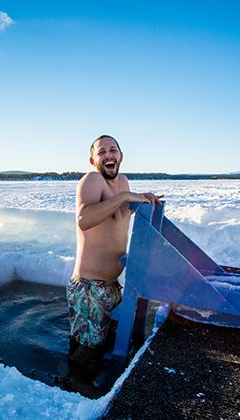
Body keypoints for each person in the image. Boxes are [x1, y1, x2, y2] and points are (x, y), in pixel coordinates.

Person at [67, 134, 163, 373]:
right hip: (90, 288)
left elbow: (115, 217)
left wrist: (141, 202)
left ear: (121, 156)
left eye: (113, 150)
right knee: (86, 353)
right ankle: (74, 391)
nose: (108, 155)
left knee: (104, 346)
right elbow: (84, 219)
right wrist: (124, 198)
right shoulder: (92, 179)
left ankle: (94, 388)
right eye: (101, 152)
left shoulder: (122, 181)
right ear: (92, 160)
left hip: (112, 285)